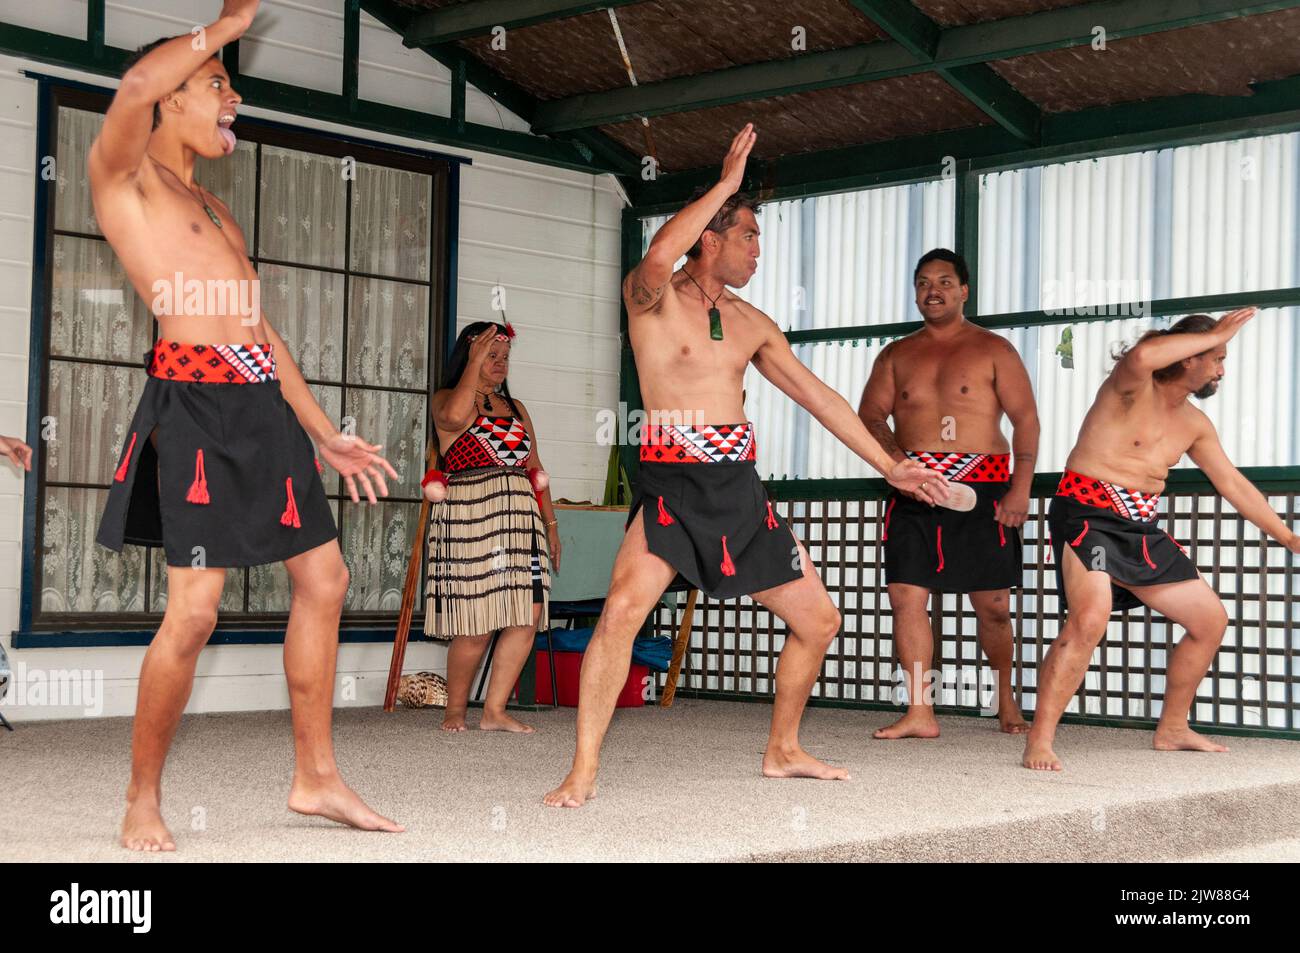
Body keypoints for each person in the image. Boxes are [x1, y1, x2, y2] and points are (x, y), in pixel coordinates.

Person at [543, 124, 949, 808]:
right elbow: (660, 250)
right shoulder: (652, 298)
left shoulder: (754, 322)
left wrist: (892, 465)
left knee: (819, 620)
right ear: (713, 236)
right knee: (620, 616)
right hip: (671, 486)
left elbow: (818, 397)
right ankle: (582, 771)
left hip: (737, 490)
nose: (759, 250)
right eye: (748, 235)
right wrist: (726, 185)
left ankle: (783, 748)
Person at [90, 1, 402, 850]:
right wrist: (225, 25)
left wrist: (322, 430)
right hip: (191, 412)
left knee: (326, 579)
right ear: (170, 100)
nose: (231, 99)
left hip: (262, 408)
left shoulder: (216, 210)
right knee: (194, 613)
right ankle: (141, 797)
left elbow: (259, 330)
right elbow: (133, 81)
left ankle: (316, 776)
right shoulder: (125, 177)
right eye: (217, 85)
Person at [1024, 309, 1300, 770]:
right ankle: (1040, 738)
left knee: (1210, 620)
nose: (1221, 371)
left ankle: (1173, 728)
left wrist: (1290, 538)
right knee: (1090, 618)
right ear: (1188, 357)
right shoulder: (1130, 389)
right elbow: (1146, 354)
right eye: (1216, 358)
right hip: (1086, 514)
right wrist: (1216, 332)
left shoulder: (1195, 424)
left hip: (1140, 528)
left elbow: (1233, 484)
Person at [858, 249, 1039, 737]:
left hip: (985, 487)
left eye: (942, 281)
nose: (931, 291)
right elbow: (870, 417)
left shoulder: (994, 348)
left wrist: (1020, 489)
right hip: (914, 488)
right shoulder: (895, 354)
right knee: (905, 597)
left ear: (964, 290)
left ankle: (1006, 699)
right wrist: (900, 464)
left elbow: (1026, 420)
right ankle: (920, 712)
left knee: (994, 605)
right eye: (921, 282)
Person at [423, 321, 560, 732]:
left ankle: (495, 711)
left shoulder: (516, 409)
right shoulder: (448, 399)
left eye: (504, 357)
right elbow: (451, 418)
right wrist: (473, 365)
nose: (500, 363)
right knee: (478, 619)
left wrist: (551, 524)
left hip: (522, 519)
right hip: (471, 517)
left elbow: (535, 469)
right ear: (470, 357)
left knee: (527, 614)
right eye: (490, 355)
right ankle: (456, 711)